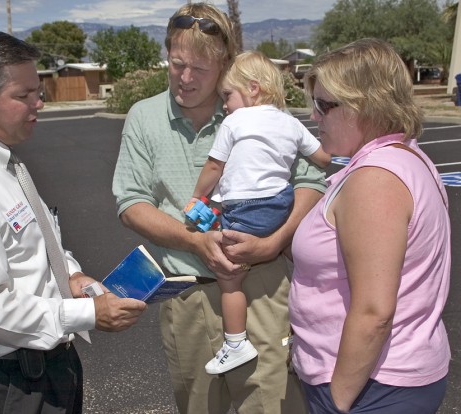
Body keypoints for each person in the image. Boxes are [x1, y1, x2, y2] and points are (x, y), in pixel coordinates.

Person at [0, 29, 146, 414]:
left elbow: (35, 240)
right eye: (23, 95)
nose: (39, 102)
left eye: (37, 90)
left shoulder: (3, 164)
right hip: (7, 384)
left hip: (45, 367)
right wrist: (88, 313)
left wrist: (70, 276)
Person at [112, 3, 327, 413]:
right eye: (177, 65)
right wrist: (195, 241)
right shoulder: (144, 117)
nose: (186, 79)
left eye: (200, 69)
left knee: (272, 406)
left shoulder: (261, 114)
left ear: (226, 64)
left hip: (262, 288)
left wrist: (275, 242)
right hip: (187, 297)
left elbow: (311, 180)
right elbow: (131, 201)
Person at [289, 38, 451, 413]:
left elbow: (374, 312)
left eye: (324, 105)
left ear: (366, 106)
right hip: (387, 378)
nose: (314, 116)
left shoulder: (375, 179)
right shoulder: (406, 157)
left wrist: (339, 399)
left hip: (373, 386)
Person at [184, 50, 331, 375]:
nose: (225, 104)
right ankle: (305, 332)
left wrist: (196, 195)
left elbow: (214, 166)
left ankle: (236, 343)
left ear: (252, 89)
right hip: (281, 206)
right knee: (299, 262)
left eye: (227, 95)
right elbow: (322, 157)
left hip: (244, 212)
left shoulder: (235, 120)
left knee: (230, 278)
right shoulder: (290, 122)